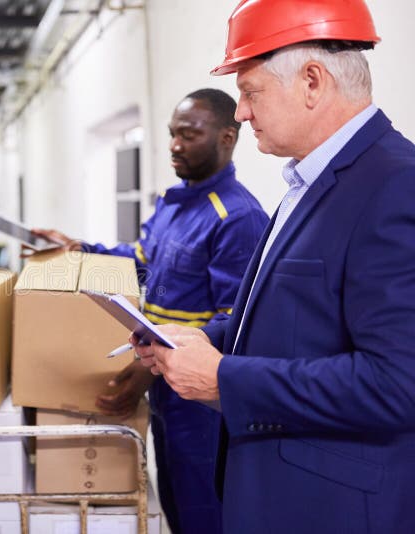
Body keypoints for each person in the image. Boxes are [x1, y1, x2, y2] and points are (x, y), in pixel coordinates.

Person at [137, 1, 415, 532]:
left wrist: (224, 380)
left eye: (250, 92)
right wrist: (204, 340)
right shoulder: (306, 184)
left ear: (312, 81)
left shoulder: (395, 187)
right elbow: (296, 322)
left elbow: (397, 383)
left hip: (335, 510)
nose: (239, 113)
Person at [34, 89, 268, 534]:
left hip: (202, 401)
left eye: (189, 134)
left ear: (227, 137)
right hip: (163, 384)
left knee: (205, 509)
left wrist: (149, 369)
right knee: (175, 504)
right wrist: (80, 247)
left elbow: (235, 326)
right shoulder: (173, 204)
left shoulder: (236, 217)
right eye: (172, 134)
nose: (176, 145)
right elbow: (142, 261)